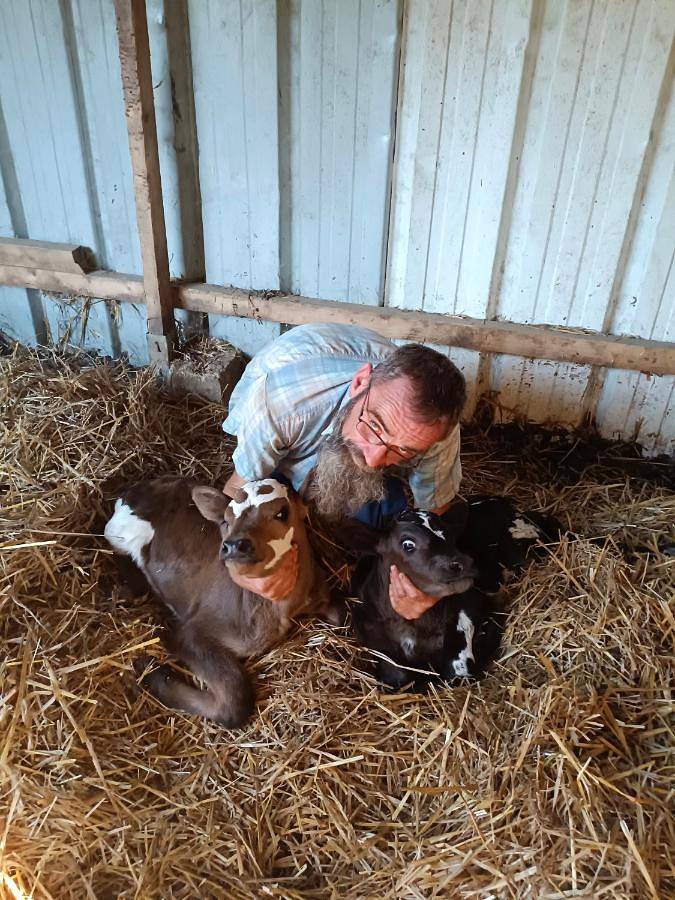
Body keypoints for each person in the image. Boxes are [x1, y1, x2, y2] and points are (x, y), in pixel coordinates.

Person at [222, 323, 466, 620]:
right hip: (293, 416)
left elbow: (433, 515)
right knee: (267, 503)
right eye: (374, 425)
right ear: (360, 383)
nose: (374, 459)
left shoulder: (433, 435)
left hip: (335, 417)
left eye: (403, 450)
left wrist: (423, 584)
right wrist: (239, 572)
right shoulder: (281, 403)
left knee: (383, 521)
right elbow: (237, 491)